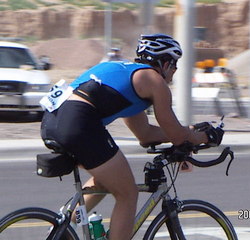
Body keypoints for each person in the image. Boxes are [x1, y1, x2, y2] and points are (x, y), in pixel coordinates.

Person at [40, 33, 224, 240]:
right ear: (163, 63)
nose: (175, 70)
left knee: (105, 180)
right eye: (174, 64)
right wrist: (205, 136)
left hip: (52, 121)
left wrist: (187, 131)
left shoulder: (130, 78)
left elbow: (145, 134)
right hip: (78, 123)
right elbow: (177, 136)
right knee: (128, 193)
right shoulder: (154, 81)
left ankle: (61, 230)